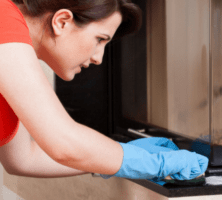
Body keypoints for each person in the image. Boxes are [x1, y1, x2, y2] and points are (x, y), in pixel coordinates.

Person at [0, 0, 208, 181]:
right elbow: (62, 142)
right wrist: (148, 162)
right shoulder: (4, 20)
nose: (98, 58)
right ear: (62, 21)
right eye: (100, 39)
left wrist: (119, 153)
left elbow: (24, 159)